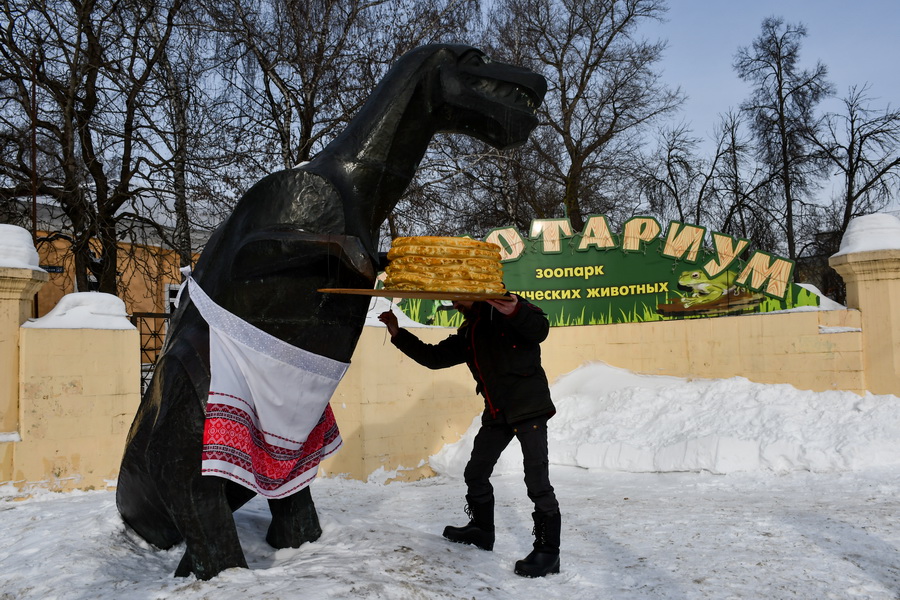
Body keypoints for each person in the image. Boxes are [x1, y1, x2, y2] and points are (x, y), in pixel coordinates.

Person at [378, 293, 560, 578]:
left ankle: (548, 552)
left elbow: (539, 331)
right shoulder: (470, 330)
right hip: (498, 412)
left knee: (537, 483)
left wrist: (516, 311)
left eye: (457, 300)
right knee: (475, 473)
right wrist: (398, 333)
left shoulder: (508, 308)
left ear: (472, 294)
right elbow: (434, 358)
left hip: (529, 408)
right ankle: (482, 530)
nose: (455, 305)